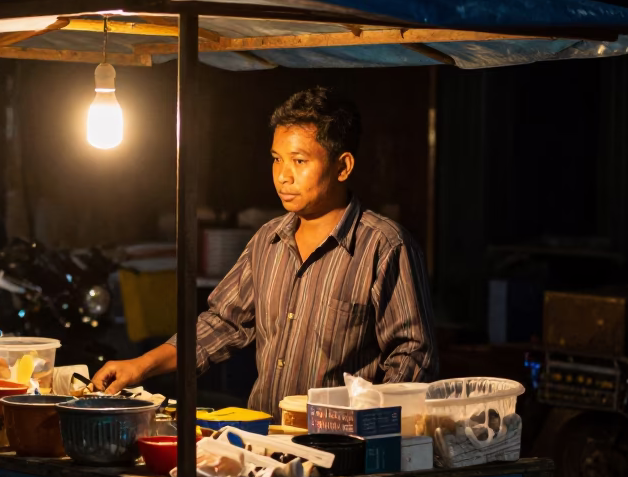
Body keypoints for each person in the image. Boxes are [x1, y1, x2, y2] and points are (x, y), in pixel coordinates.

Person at [92, 87, 437, 414]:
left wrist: (368, 427)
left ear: (342, 166)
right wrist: (141, 365)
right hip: (264, 438)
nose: (283, 176)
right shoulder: (267, 241)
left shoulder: (385, 246)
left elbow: (413, 356)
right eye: (276, 159)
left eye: (299, 161)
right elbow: (222, 323)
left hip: (340, 446)